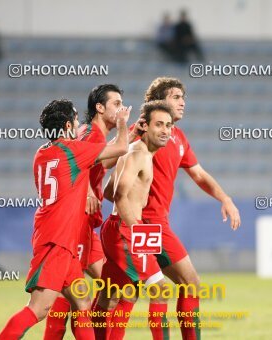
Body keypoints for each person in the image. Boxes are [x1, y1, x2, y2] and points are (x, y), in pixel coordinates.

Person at [0, 99, 131, 340]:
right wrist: (122, 124)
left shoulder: (41, 153)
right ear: (68, 124)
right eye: (77, 119)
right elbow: (121, 148)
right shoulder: (73, 150)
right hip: (56, 241)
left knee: (82, 302)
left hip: (59, 240)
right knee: (39, 309)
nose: (80, 124)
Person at [127, 77, 241, 340]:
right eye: (176, 97)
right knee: (187, 284)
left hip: (154, 224)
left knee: (125, 295)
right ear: (158, 101)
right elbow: (115, 161)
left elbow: (199, 174)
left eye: (183, 97)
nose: (182, 102)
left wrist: (225, 198)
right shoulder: (142, 132)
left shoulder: (177, 137)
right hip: (145, 223)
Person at [43, 84, 141, 339]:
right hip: (77, 226)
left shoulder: (92, 134)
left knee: (93, 291)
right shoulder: (90, 134)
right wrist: (87, 192)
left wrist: (131, 132)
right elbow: (77, 164)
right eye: (116, 104)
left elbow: (103, 161)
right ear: (99, 107)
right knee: (90, 292)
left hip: (84, 226)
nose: (121, 109)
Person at [92, 101, 174, 340]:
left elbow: (108, 191)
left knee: (118, 294)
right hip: (124, 229)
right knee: (160, 290)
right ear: (145, 126)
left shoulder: (137, 151)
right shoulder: (138, 153)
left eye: (168, 126)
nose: (165, 130)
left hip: (117, 226)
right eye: (159, 124)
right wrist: (137, 229)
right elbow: (118, 195)